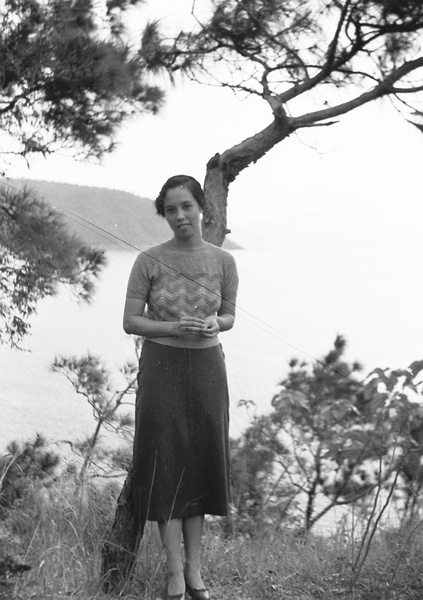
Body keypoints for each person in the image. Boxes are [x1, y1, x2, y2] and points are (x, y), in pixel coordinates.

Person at [123, 175, 239, 600]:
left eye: (186, 206)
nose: (179, 216)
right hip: (162, 366)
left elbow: (228, 316)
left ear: (201, 207)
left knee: (202, 464)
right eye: (171, 209)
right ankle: (174, 574)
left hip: (208, 367)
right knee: (164, 465)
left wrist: (214, 323)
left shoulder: (223, 262)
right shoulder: (148, 261)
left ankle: (195, 572)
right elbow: (130, 321)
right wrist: (173, 325)